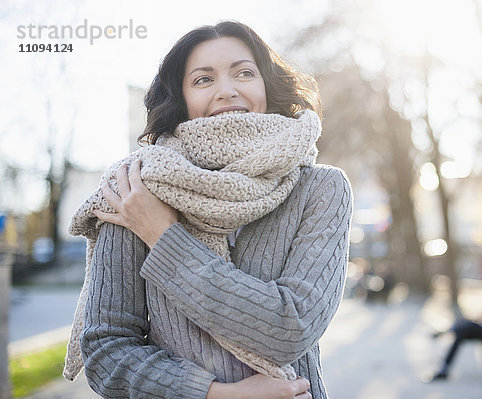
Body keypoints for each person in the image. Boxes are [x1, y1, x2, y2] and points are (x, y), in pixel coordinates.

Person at [62, 21, 352, 399]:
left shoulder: (321, 189)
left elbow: (290, 329)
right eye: (203, 80)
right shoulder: (136, 190)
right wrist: (216, 394)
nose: (226, 91)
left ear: (267, 85)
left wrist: (163, 236)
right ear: (180, 99)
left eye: (244, 73)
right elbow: (106, 352)